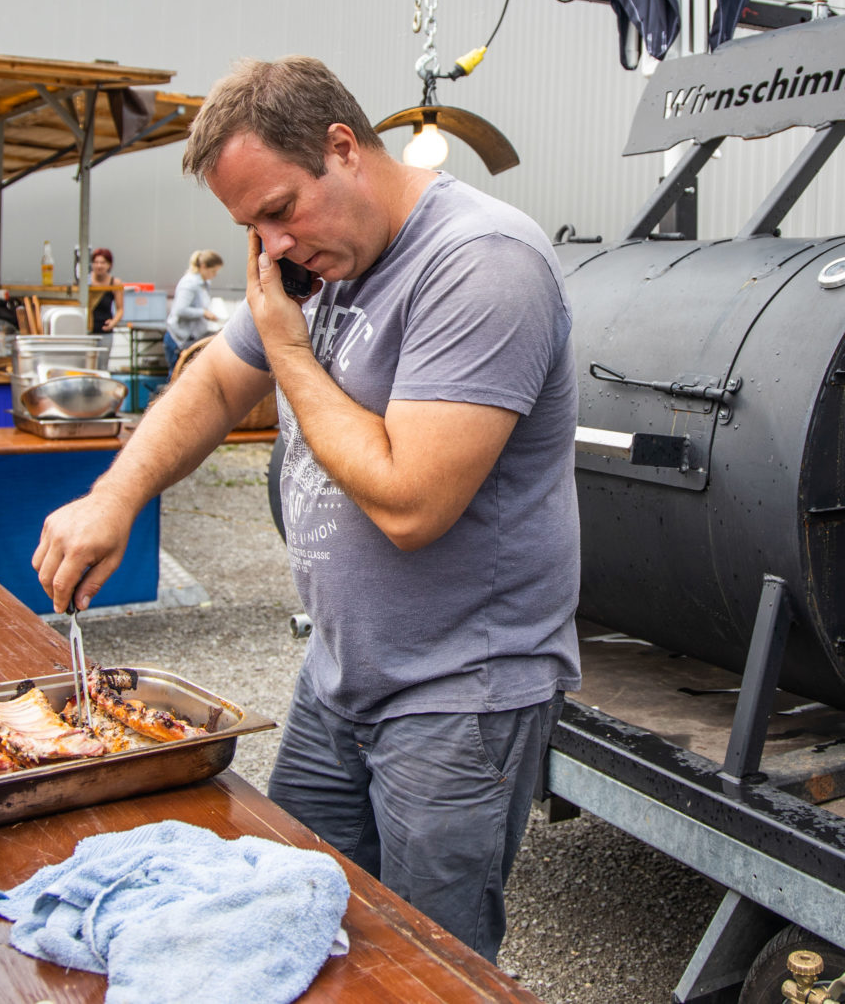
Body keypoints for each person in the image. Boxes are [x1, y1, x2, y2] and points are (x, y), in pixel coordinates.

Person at [32, 55, 579, 961]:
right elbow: (215, 380)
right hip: (338, 677)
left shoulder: (482, 262)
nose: (273, 246)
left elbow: (411, 503)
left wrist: (289, 351)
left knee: (425, 967)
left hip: (456, 696)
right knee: (286, 923)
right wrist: (114, 495)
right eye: (251, 226)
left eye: (281, 209)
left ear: (343, 148)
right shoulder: (315, 263)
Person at [169, 249, 225, 347]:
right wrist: (203, 313)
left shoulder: (204, 284)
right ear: (203, 266)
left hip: (195, 336)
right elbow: (180, 310)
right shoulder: (190, 283)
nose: (215, 275)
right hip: (180, 339)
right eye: (213, 271)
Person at [88, 247, 123, 332]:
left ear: (109, 265)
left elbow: (120, 309)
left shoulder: (115, 283)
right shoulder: (85, 280)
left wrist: (113, 323)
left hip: (105, 329)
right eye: (96, 262)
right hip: (86, 329)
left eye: (103, 263)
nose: (99, 266)